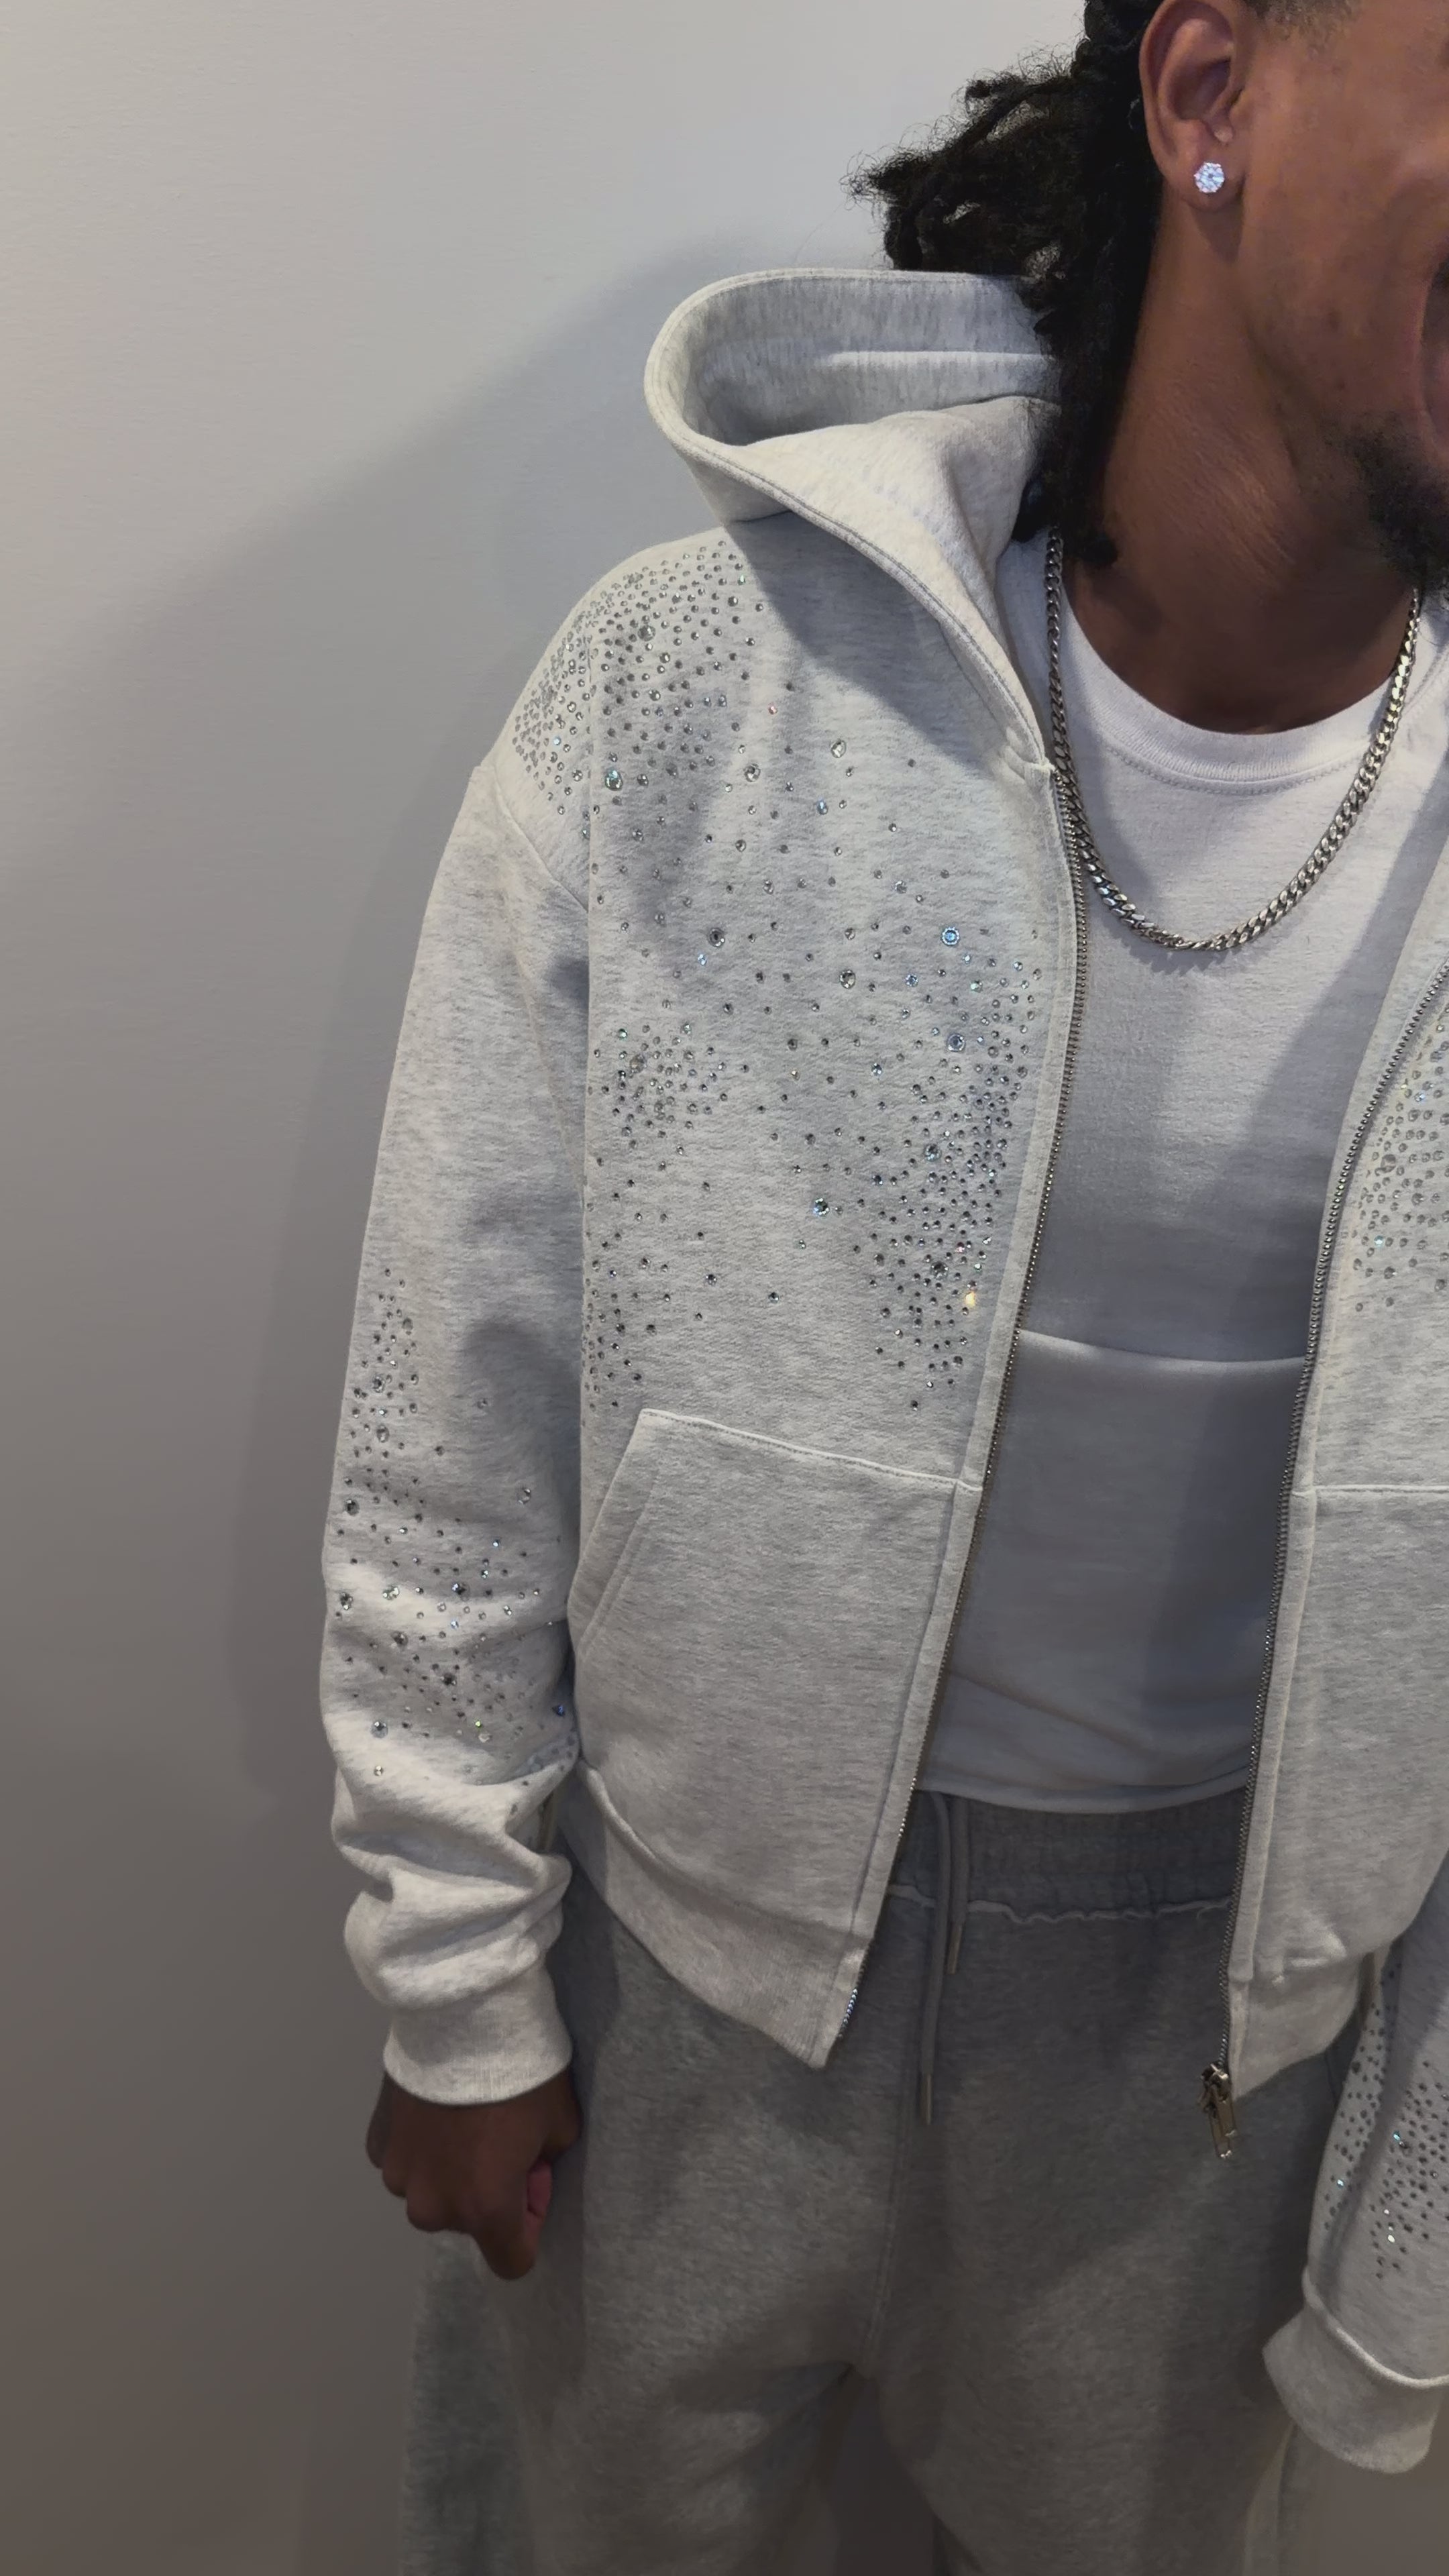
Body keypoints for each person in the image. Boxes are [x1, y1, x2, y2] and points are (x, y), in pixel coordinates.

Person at [320, 2, 1449, 2567]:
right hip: (675, 1986)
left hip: (1202, 2073)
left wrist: (1413, 2197)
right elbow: (459, 1381)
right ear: (1212, 95)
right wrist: (461, 1974)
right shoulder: (695, 689)